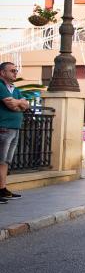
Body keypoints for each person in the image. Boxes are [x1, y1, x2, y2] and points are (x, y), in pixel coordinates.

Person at [0, 62, 28, 204]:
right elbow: (10, 104)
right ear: (2, 73)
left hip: (14, 128)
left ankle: (2, 189)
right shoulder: (0, 85)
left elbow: (26, 105)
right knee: (0, 159)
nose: (15, 73)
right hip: (3, 127)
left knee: (5, 160)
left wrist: (18, 103)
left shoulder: (14, 89)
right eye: (12, 70)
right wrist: (18, 104)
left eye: (16, 70)